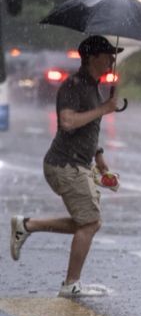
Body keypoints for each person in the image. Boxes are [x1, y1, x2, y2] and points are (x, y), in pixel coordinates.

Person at [9, 35, 120, 297]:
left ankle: (28, 225)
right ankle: (70, 284)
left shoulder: (93, 86)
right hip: (64, 165)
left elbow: (89, 128)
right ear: (93, 58)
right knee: (90, 222)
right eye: (108, 55)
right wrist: (104, 108)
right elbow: (69, 122)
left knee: (87, 222)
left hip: (76, 164)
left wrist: (100, 159)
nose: (112, 60)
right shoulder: (74, 85)